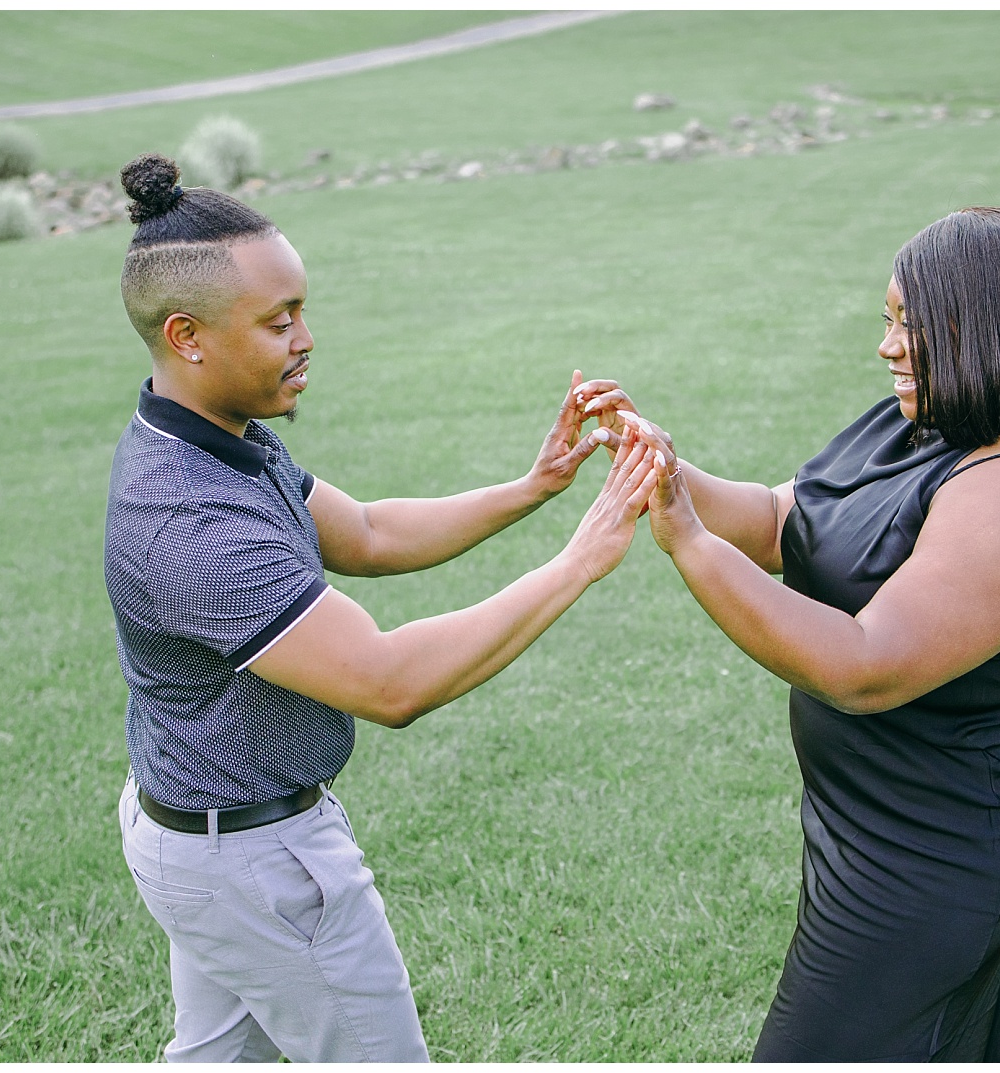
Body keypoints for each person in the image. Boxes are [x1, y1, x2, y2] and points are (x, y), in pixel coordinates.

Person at [103, 153, 659, 1063]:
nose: (306, 337)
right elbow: (389, 681)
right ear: (187, 335)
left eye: (302, 311)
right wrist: (580, 561)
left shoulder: (219, 436)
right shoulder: (188, 518)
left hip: (204, 836)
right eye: (279, 321)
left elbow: (362, 531)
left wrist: (536, 486)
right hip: (254, 862)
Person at [600, 207, 1000, 1061]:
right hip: (871, 814)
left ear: (988, 331)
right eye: (888, 320)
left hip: (945, 842)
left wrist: (690, 545)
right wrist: (667, 469)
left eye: (910, 326)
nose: (887, 347)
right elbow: (785, 520)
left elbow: (866, 665)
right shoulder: (922, 420)